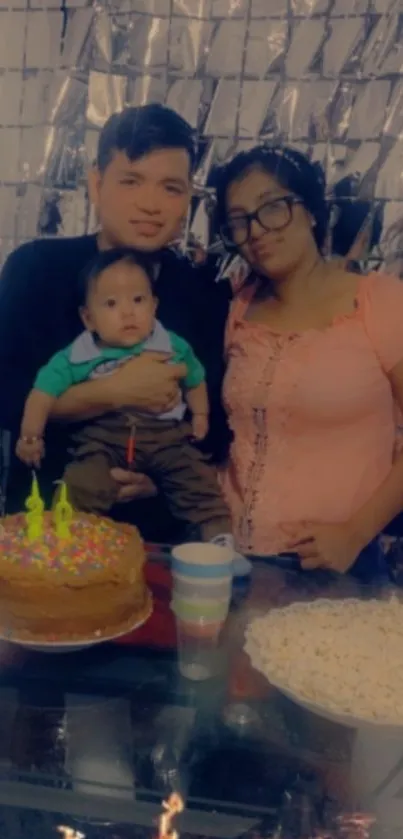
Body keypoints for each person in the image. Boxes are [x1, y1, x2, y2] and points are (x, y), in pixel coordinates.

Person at [0, 103, 232, 541]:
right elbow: (5, 394)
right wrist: (111, 393)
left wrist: (159, 473)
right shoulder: (35, 269)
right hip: (48, 533)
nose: (150, 204)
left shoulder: (203, 292)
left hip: (161, 537)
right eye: (131, 181)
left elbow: (217, 423)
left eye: (171, 187)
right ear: (96, 182)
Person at [214, 144, 403, 579]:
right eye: (239, 221)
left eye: (273, 207)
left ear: (312, 212)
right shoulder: (239, 309)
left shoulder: (376, 300)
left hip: (339, 563)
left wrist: (356, 532)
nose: (257, 231)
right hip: (236, 562)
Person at [16, 248, 232, 543]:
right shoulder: (78, 355)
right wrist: (31, 437)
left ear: (154, 306)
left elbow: (194, 377)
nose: (128, 312)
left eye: (138, 300)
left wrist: (201, 415)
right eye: (111, 303)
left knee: (197, 481)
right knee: (83, 483)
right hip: (104, 438)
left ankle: (217, 539)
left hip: (167, 437)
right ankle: (69, 539)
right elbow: (42, 394)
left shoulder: (170, 344)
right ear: (89, 318)